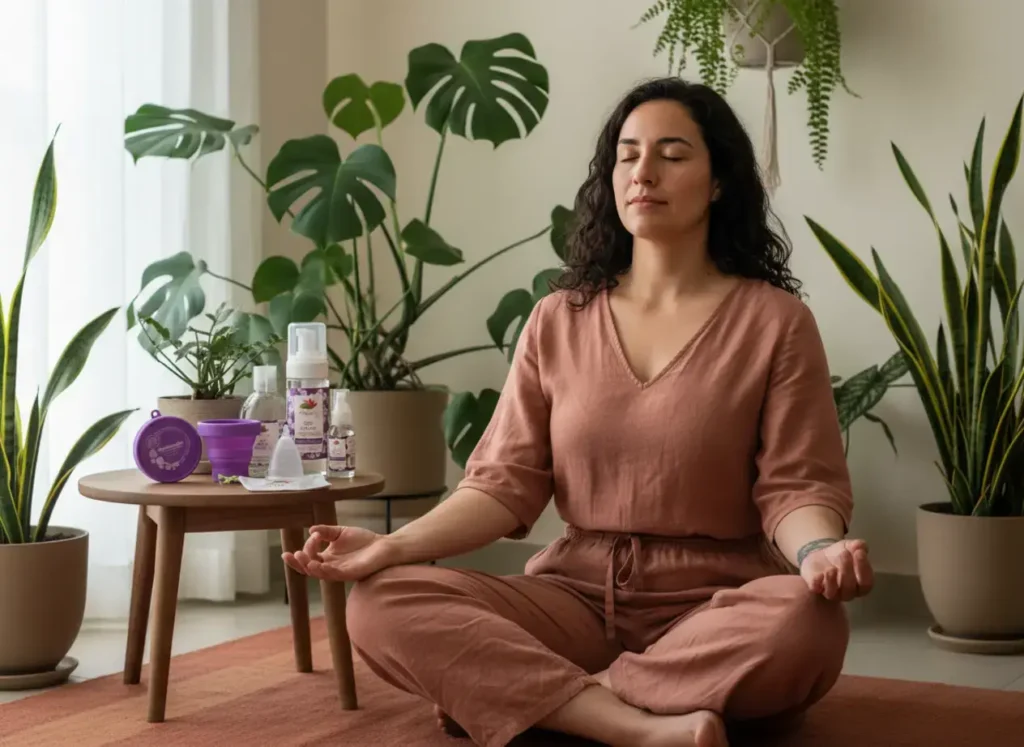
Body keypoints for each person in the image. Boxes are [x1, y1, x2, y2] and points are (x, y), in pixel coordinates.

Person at [283, 77, 874, 747]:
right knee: (382, 602)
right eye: (626, 154)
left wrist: (820, 551)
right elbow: (502, 482)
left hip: (717, 601)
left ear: (717, 181)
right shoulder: (557, 320)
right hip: (574, 597)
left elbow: (796, 485)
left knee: (807, 619)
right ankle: (635, 722)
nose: (643, 172)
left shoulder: (775, 322)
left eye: (672, 154)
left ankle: (540, 695)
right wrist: (391, 546)